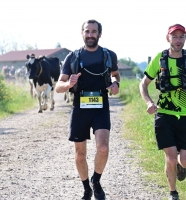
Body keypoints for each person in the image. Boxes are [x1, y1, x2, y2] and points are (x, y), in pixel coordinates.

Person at [139, 24, 186, 200]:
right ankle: (173, 193)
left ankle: (180, 164)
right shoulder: (160, 59)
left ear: (185, 38)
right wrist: (148, 102)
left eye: (181, 37)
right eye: (175, 36)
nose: (178, 40)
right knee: (170, 157)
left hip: (185, 117)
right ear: (168, 38)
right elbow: (143, 83)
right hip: (164, 116)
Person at [55, 19, 120, 200]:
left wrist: (116, 84)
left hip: (101, 105)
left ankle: (96, 181)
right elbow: (58, 86)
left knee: (103, 147)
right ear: (82, 33)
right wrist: (69, 83)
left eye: (93, 31)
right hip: (80, 107)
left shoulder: (109, 55)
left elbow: (115, 75)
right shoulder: (73, 57)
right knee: (80, 153)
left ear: (99, 34)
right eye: (87, 31)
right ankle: (86, 189)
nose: (90, 35)